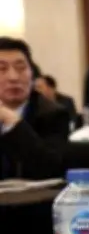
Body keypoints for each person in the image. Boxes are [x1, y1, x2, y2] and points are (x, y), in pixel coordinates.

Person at [0, 38, 65, 179]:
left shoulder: (52, 114)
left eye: (21, 68)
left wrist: (11, 120)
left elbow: (48, 169)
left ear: (32, 74)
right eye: (2, 69)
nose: (13, 77)